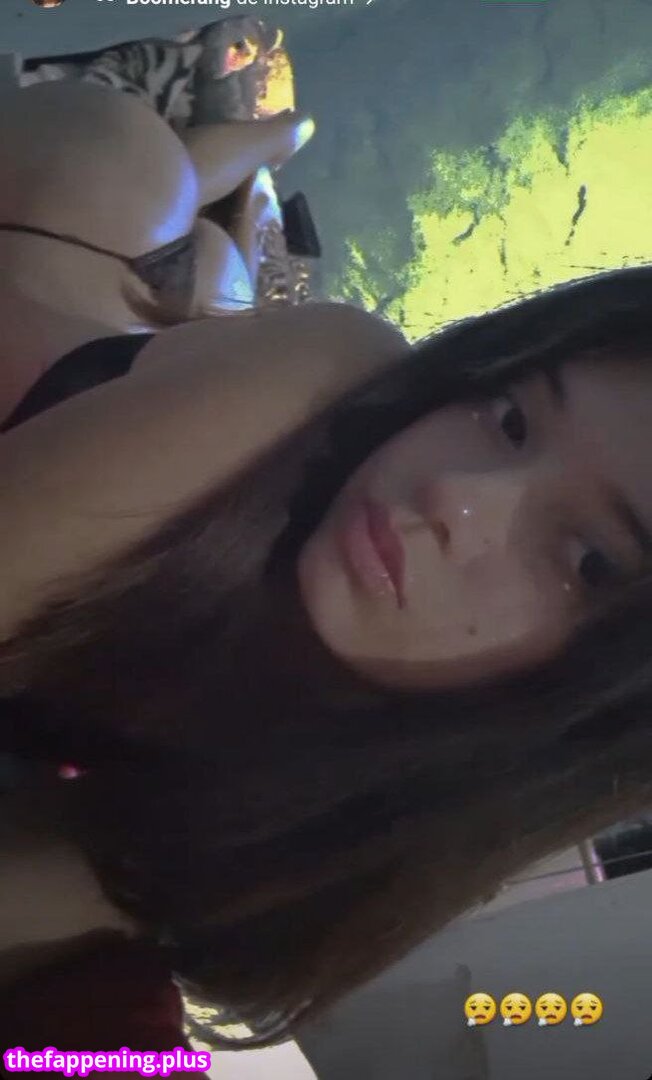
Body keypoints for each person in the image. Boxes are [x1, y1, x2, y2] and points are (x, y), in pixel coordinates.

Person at [2, 264, 652, 1051]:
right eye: (509, 418)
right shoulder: (319, 387)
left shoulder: (305, 859)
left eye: (587, 561)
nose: (459, 495)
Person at [0, 78, 315, 419]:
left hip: (129, 295)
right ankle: (279, 150)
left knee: (161, 192)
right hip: (147, 320)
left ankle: (282, 143)